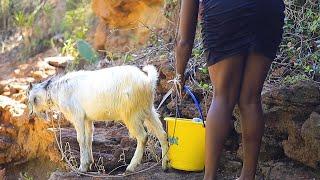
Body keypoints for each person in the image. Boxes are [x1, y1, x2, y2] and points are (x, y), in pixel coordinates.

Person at [174, 0, 285, 179]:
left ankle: (209, 177)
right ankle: (247, 177)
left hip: (224, 10)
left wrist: (178, 76)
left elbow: (184, 40)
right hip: (268, 9)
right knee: (250, 99)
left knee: (223, 97)